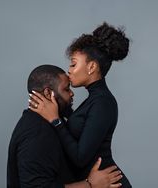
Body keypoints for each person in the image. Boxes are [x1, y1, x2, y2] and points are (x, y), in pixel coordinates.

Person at [29, 22, 132, 187]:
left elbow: (80, 157)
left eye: (73, 64)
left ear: (91, 67)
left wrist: (55, 120)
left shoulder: (103, 103)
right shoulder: (95, 100)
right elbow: (81, 125)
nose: (69, 70)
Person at [7, 65, 123, 188]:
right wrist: (89, 185)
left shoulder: (51, 120)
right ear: (48, 93)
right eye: (66, 89)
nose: (72, 94)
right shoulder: (37, 132)